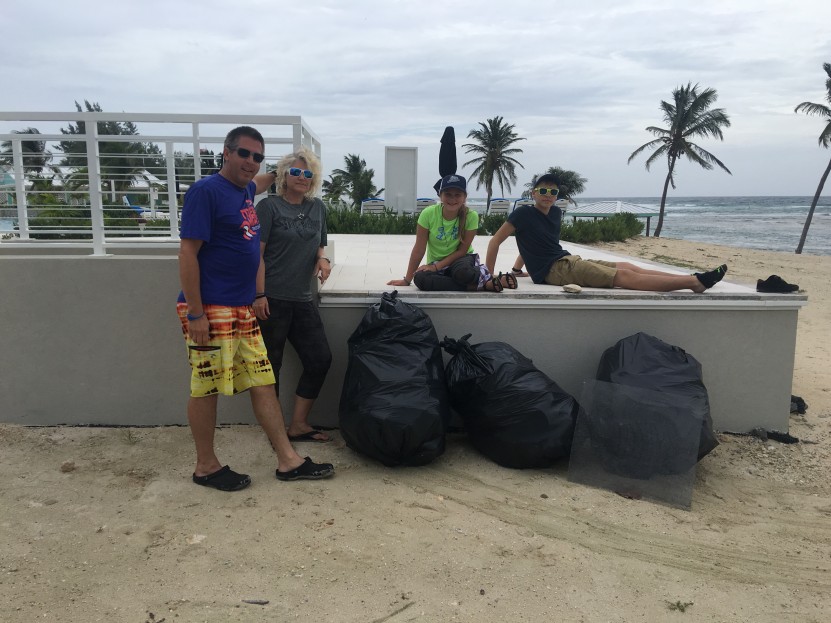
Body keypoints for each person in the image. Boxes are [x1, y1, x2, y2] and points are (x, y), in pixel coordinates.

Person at [177, 126, 334, 491]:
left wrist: (291, 171)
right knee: (206, 387)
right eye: (244, 153)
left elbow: (267, 180)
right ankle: (205, 466)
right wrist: (196, 313)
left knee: (263, 381)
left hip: (242, 308)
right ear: (226, 152)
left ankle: (288, 460)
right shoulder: (207, 191)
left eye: (257, 156)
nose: (250, 162)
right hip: (211, 308)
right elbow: (188, 253)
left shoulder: (246, 190)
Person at [486, 173, 728, 292]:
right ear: (533, 193)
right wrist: (487, 276)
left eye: (553, 192)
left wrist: (518, 269)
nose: (548, 195)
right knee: (622, 279)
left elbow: (539, 242)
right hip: (555, 270)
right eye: (543, 190)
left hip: (566, 260)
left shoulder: (556, 214)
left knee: (626, 266)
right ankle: (694, 282)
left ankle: (688, 276)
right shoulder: (522, 214)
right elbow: (495, 242)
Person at [250, 148, 333, 443]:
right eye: (295, 172)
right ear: (284, 175)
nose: (301, 177)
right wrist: (259, 295)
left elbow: (320, 245)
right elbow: (255, 255)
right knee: (270, 369)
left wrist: (323, 260)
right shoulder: (269, 207)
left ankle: (298, 425)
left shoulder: (318, 208)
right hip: (271, 299)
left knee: (320, 359)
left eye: (307, 173)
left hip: (302, 299)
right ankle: (275, 433)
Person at [387, 174, 517, 292]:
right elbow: (419, 249)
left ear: (465, 197)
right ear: (440, 195)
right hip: (436, 261)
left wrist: (436, 268)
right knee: (420, 279)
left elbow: (462, 251)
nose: (452, 199)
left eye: (457, 195)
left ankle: (481, 278)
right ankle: (484, 284)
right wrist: (407, 279)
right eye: (448, 194)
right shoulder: (428, 214)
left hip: (461, 259)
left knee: (462, 273)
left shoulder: (471, 216)